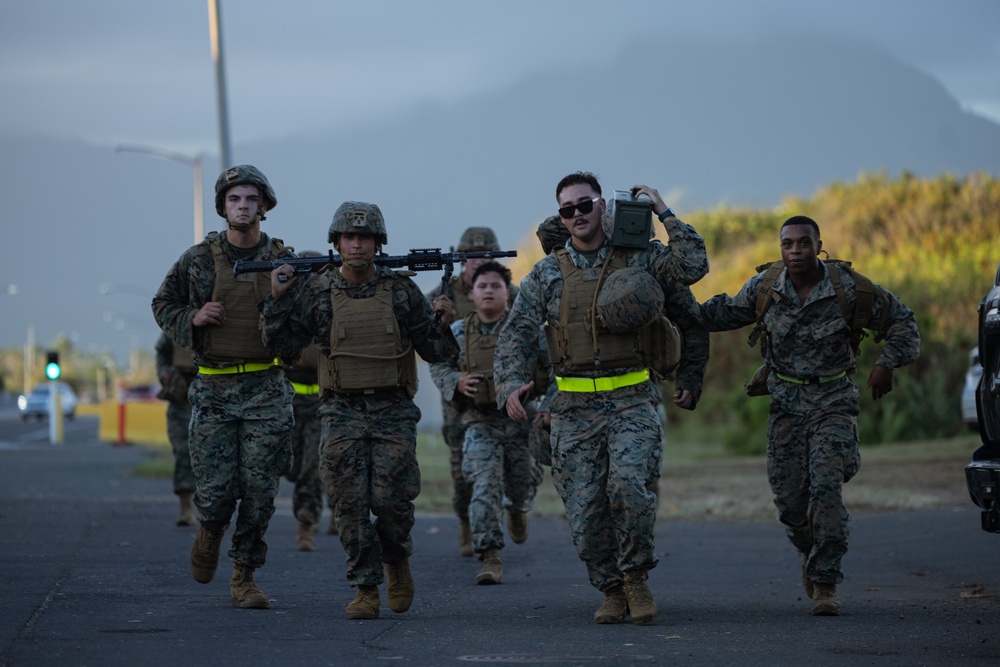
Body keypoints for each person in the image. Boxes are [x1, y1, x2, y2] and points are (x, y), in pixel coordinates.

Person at [495, 171, 709, 625]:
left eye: (584, 204)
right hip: (572, 409)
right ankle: (610, 589)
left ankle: (635, 578)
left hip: (633, 398)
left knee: (629, 489)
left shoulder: (640, 258)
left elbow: (692, 267)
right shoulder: (548, 273)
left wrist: (662, 209)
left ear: (602, 206)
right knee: (585, 511)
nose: (577, 215)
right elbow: (516, 332)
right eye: (566, 210)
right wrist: (508, 383)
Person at [696, 215, 920, 616]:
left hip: (833, 400)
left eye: (803, 243)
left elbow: (903, 321)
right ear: (780, 247)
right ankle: (809, 549)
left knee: (826, 488)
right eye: (787, 244)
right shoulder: (766, 287)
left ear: (819, 246)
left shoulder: (850, 289)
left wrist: (887, 362)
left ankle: (825, 581)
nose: (795, 251)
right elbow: (722, 315)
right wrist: (675, 304)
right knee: (790, 501)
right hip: (785, 404)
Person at [262, 201, 459, 620]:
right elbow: (283, 348)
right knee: (348, 502)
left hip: (392, 410)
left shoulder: (401, 290)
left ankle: (396, 560)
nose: (356, 243)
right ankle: (365, 587)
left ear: (377, 242)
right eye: (348, 237)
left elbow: (435, 351)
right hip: (340, 410)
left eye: (364, 236)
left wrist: (442, 323)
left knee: (391, 501)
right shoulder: (317, 291)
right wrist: (278, 300)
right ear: (336, 242)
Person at [151, 164, 296, 610]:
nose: (243, 206)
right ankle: (209, 530)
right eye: (235, 199)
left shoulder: (284, 261)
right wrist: (191, 318)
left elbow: (303, 329)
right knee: (215, 494)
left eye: (252, 199)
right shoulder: (197, 259)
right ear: (222, 207)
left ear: (265, 206)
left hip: (266, 389)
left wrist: (280, 297)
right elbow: (162, 303)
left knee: (259, 492)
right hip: (213, 391)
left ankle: (244, 577)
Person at [429, 261, 549, 585]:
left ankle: (518, 509)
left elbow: (554, 371)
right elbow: (438, 364)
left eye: (496, 286)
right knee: (484, 486)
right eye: (482, 286)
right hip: (479, 422)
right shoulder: (458, 332)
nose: (489, 292)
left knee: (521, 484)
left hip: (521, 423)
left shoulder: (528, 331)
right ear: (472, 293)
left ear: (508, 293)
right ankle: (490, 556)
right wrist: (456, 380)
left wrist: (547, 407)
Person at [425, 226, 517, 557]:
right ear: (460, 259)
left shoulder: (510, 294)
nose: (478, 262)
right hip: (460, 399)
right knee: (461, 467)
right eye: (470, 256)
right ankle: (467, 522)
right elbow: (426, 345)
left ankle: (512, 510)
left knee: (514, 467)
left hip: (506, 395)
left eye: (486, 256)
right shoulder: (441, 295)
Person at [283, 342, 326, 551]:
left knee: (313, 464)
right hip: (288, 401)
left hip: (321, 402)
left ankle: (306, 524)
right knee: (292, 467)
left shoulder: (330, 313)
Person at [154, 331, 197, 527]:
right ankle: (186, 505)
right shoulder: (179, 318)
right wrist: (164, 371)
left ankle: (213, 508)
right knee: (183, 449)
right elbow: (162, 351)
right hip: (181, 389)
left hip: (214, 387)